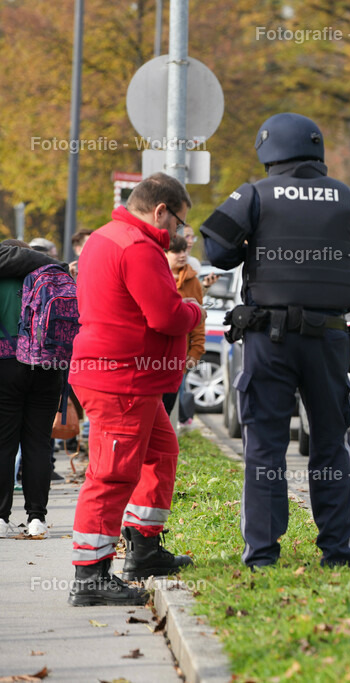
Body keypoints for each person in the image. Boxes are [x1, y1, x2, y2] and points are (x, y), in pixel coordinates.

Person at [200, 112, 350, 570]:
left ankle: (262, 556)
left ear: (268, 149)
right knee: (331, 445)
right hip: (329, 340)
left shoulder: (255, 194)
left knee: (265, 447)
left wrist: (255, 245)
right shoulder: (346, 196)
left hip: (270, 340)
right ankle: (341, 553)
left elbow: (216, 249)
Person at [68, 172, 205, 606]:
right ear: (160, 210)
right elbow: (166, 315)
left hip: (127, 378)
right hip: (123, 380)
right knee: (111, 475)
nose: (178, 232)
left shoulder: (105, 238)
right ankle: (90, 576)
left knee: (161, 452)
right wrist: (194, 310)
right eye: (179, 221)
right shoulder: (138, 247)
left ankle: (143, 549)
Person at [0, 240, 66, 539]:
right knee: (38, 443)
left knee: (4, 444)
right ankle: (37, 517)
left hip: (5, 365)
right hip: (47, 365)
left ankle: (1, 518)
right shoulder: (48, 275)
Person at [162, 235, 205, 424]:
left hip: (178, 358)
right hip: (151, 357)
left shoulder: (192, 281)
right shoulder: (156, 276)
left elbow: (199, 320)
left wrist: (195, 353)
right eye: (176, 251)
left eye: (184, 250)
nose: (182, 255)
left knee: (167, 410)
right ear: (164, 253)